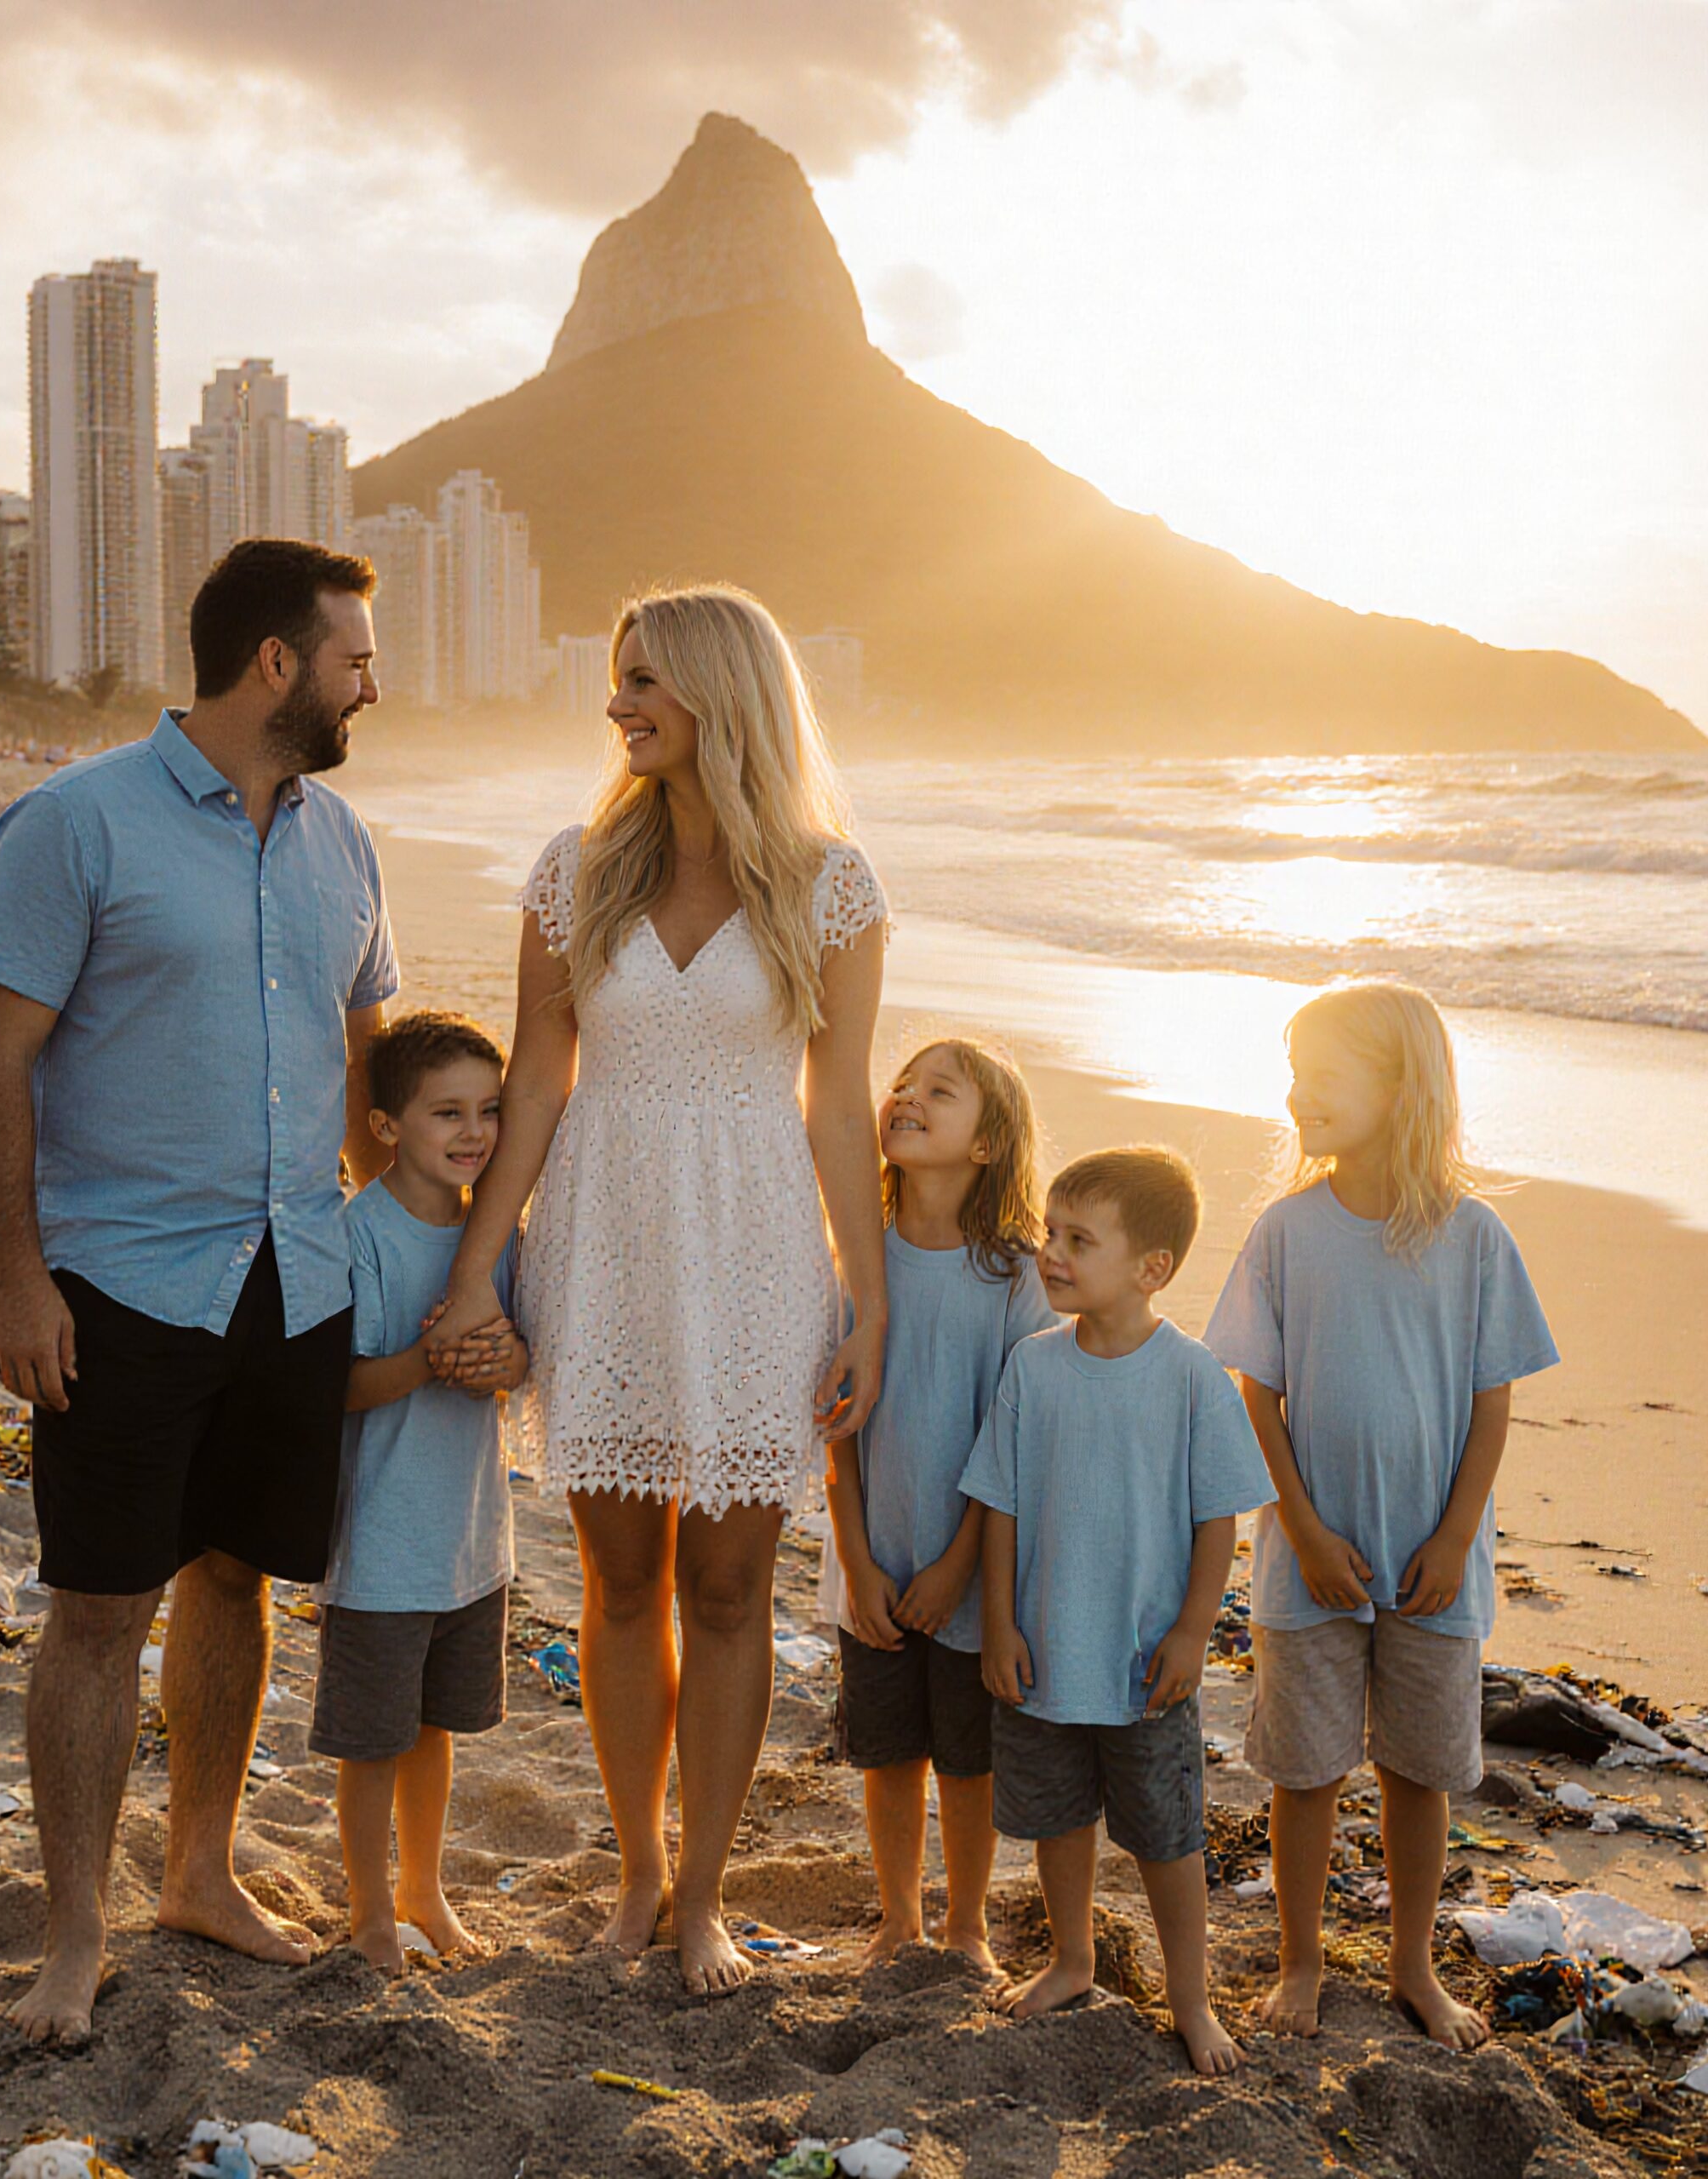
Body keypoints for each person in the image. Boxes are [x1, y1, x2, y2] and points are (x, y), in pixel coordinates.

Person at [0, 539, 396, 2046]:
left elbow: (366, 1065)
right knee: (98, 1609)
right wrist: (18, 1281)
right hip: (127, 1283)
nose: (370, 686)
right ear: (276, 663)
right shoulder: (74, 823)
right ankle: (73, 1935)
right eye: (353, 659)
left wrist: (410, 1260)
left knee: (238, 1581)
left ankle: (199, 1872)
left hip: (300, 1277)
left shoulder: (345, 841)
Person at [424, 584, 888, 1993]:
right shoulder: (577, 872)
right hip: (606, 1241)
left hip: (756, 1250)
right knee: (623, 1584)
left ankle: (706, 1897)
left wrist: (868, 1302)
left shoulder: (831, 886)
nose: (617, 702)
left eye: (642, 681)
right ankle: (637, 1871)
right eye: (619, 678)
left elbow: (838, 1110)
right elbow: (537, 1085)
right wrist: (478, 1271)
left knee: (731, 1590)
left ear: (717, 695)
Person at [1203, 982, 1559, 2051]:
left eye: (1323, 1075)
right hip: (1307, 1558)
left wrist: (1453, 1537)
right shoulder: (1286, 1230)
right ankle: (1301, 1961)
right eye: (1292, 1073)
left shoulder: (1473, 1236)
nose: (1297, 1093)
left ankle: (1410, 1965)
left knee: (1418, 1771)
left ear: (1401, 1087)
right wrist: (1306, 1532)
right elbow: (1256, 1395)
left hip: (1431, 1563)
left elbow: (1491, 1402)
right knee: (1305, 1772)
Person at [965, 1148, 1271, 2077]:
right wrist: (999, 1624)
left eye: (1079, 1240)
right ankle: (1073, 1958)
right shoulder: (1033, 1367)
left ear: (1151, 1268)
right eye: (1050, 1233)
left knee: (1166, 1836)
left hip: (1145, 1662)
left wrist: (1192, 1633)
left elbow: (1219, 1518)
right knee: (1058, 1818)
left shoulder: (1192, 1376)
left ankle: (1191, 1998)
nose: (1051, 1254)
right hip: (1046, 1647)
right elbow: (1000, 1505)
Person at [824, 1038, 1054, 1974]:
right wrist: (857, 1562)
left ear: (987, 1144)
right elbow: (835, 1429)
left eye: (939, 1091)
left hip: (975, 1568)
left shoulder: (1015, 1276)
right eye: (902, 1084)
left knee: (966, 1757)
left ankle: (966, 1923)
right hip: (873, 1561)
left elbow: (1015, 1435)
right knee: (887, 1753)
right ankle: (898, 1917)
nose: (907, 1097)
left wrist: (960, 1565)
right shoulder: (856, 1257)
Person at [312, 1009, 526, 1976]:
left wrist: (503, 1360)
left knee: (436, 1732)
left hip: (469, 1538)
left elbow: (518, 1356)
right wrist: (430, 1357)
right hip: (381, 1544)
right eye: (448, 1113)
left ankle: (423, 1890)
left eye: (489, 1109)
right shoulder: (360, 1234)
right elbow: (339, 1387)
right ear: (387, 1125)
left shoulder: (495, 1232)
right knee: (372, 1743)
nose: (474, 1132)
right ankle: (368, 1911)